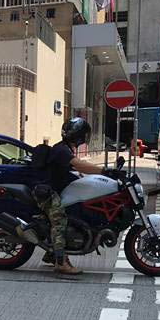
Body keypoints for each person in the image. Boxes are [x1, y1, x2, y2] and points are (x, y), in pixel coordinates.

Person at [38, 117, 121, 276]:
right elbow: (79, 164)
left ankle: (51, 253)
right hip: (47, 192)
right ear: (79, 136)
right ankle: (61, 262)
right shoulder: (61, 150)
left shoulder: (65, 149)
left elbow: (75, 168)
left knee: (75, 212)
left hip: (57, 189)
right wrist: (105, 171)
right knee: (60, 219)